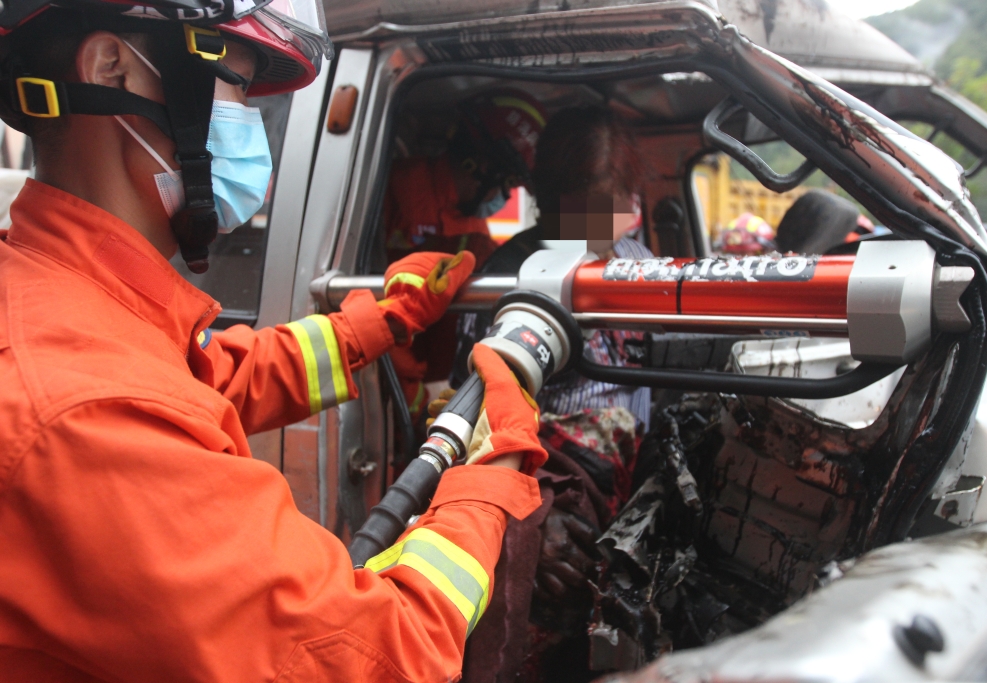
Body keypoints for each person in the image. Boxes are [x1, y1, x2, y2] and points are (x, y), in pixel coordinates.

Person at [0, 3, 544, 681]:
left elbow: (205, 378)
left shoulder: (60, 297)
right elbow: (383, 655)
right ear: (113, 69)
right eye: (234, 84)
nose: (249, 127)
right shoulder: (84, 412)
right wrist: (492, 469)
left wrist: (377, 321)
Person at [445, 106, 654, 682]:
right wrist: (532, 520)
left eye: (612, 204)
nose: (597, 223)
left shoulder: (644, 268)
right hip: (547, 498)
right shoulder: (507, 277)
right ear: (545, 196)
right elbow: (469, 420)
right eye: (580, 203)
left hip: (633, 497)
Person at [383, 89, 547, 419]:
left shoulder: (476, 237)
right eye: (507, 184)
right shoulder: (392, 197)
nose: (504, 197)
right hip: (384, 386)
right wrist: (416, 403)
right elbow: (373, 311)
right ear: (481, 166)